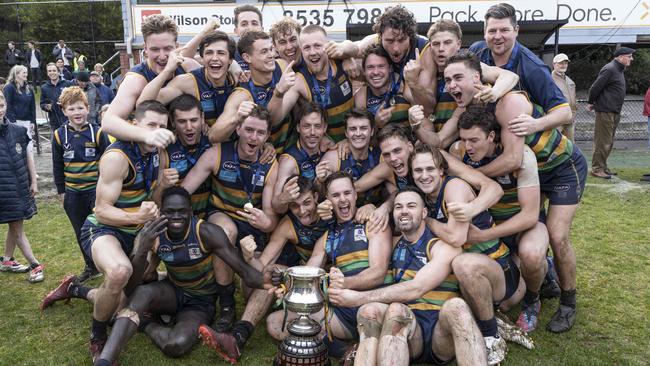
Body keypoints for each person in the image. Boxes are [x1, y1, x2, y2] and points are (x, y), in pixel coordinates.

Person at [441, 49, 587, 334]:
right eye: (447, 80)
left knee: (555, 235)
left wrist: (473, 176)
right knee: (526, 242)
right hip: (529, 176)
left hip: (559, 166)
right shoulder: (474, 112)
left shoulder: (506, 103)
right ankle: (539, 277)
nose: (451, 86)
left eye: (458, 78)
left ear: (477, 77)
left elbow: (513, 160)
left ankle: (565, 301)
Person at [90, 187, 275, 365]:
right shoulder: (153, 233)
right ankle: (105, 361)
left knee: (175, 345)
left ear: (191, 211)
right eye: (169, 211)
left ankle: (145, 324)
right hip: (173, 291)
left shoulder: (207, 232)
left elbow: (243, 271)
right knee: (141, 294)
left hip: (200, 302)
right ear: (161, 212)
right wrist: (142, 249)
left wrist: (271, 282)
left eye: (182, 211)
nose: (176, 217)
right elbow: (131, 288)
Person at [329, 187, 487, 366]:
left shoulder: (443, 245)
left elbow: (417, 287)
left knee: (457, 306)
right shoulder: (395, 243)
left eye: (411, 206)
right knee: (376, 310)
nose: (403, 211)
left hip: (441, 331)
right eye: (398, 207)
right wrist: (338, 277)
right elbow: (369, 263)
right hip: (410, 328)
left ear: (424, 212)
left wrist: (357, 298)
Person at [198, 176, 330, 362]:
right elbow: (262, 266)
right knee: (272, 273)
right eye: (294, 206)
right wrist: (248, 256)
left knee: (276, 277)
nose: (302, 211)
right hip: (303, 282)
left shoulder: (330, 215)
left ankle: (331, 344)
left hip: (333, 281)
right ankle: (238, 337)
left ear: (317, 196)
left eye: (307, 202)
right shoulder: (288, 225)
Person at [265, 171, 392, 360]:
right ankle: (345, 352)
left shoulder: (371, 221)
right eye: (335, 195)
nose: (342, 199)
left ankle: (355, 349)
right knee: (275, 322)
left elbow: (378, 273)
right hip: (342, 313)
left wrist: (342, 284)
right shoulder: (327, 236)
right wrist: (288, 286)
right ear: (327, 200)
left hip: (372, 304)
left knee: (367, 313)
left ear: (355, 195)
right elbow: (310, 275)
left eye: (347, 193)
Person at [76, 100, 168, 362]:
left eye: (162, 126)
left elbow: (153, 198)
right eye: (151, 125)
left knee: (122, 298)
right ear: (134, 126)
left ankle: (76, 290)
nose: (157, 131)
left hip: (135, 229)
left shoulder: (158, 152)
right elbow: (102, 210)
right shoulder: (117, 157)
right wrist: (136, 217)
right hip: (105, 229)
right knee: (119, 273)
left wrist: (161, 185)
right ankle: (97, 336)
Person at [409, 144, 517, 365]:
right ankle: (491, 319)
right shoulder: (425, 196)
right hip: (473, 279)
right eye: (418, 171)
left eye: (430, 169)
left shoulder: (454, 188)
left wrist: (427, 220)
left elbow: (456, 238)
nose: (424, 175)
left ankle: (490, 336)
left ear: (441, 170)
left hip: (499, 269)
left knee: (462, 263)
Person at [451, 104, 549, 333]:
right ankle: (534, 272)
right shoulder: (459, 152)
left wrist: (484, 235)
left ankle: (532, 300)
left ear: (492, 136)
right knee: (503, 302)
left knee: (532, 255)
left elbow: (530, 215)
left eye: (474, 140)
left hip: (522, 224)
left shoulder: (522, 156)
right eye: (464, 139)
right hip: (493, 225)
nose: (468, 146)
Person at [182, 105, 279, 333]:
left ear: (266, 136)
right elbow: (185, 189)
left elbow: (270, 218)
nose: (253, 137)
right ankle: (226, 306)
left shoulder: (270, 164)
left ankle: (239, 294)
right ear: (238, 129)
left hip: (252, 230)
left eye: (260, 133)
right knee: (226, 232)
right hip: (221, 215)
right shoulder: (217, 153)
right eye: (249, 130)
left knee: (252, 291)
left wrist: (265, 222)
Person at [469, 3, 573, 146]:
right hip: (491, 139)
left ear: (516, 30)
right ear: (484, 32)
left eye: (504, 30)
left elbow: (565, 112)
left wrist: (535, 124)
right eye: (492, 31)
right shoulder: (476, 51)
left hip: (527, 145)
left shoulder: (534, 67)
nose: (498, 36)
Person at [102, 13, 200, 146]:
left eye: (167, 49)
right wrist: (147, 135)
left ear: (176, 47)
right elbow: (108, 122)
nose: (162, 56)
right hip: (149, 152)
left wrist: (232, 66)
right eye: (155, 49)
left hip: (184, 150)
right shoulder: (136, 79)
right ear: (145, 49)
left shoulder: (188, 66)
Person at [52, 86, 111, 282]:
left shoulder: (98, 132)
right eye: (71, 109)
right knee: (81, 232)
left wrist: (106, 191)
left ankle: (107, 264)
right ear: (64, 111)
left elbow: (109, 162)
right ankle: (90, 266)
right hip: (73, 195)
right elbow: (57, 166)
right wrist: (62, 192)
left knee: (101, 230)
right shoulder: (59, 135)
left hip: (96, 192)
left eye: (80, 108)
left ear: (87, 108)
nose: (76, 113)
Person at [208, 31, 293, 152]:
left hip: (290, 149)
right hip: (261, 157)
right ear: (247, 57)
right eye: (264, 52)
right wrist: (236, 118)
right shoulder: (241, 95)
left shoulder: (282, 66)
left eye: (271, 49)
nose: (271, 55)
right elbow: (213, 136)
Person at [268, 24, 354, 143]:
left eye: (317, 46)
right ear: (301, 50)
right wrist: (279, 92)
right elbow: (273, 120)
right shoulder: (297, 80)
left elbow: (360, 46)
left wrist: (347, 52)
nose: (312, 52)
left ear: (327, 45)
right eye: (307, 48)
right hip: (326, 147)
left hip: (354, 139)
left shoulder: (341, 61)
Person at [137, 30, 236, 128]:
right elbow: (143, 106)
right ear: (202, 58)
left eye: (221, 53)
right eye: (209, 53)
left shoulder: (238, 79)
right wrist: (167, 70)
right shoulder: (188, 82)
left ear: (230, 60)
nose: (214, 58)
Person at [0, 89, 43, 283]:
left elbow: (28, 156)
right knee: (17, 227)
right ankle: (35, 264)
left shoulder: (18, 131)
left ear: (5, 106)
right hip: (3, 191)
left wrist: (33, 180)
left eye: (1, 106)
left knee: (15, 223)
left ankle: (7, 260)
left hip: (20, 186)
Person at [158, 94, 212, 217]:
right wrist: (162, 185)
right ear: (172, 121)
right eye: (182, 121)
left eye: (194, 120)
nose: (189, 127)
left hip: (211, 215)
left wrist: (266, 145)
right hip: (177, 218)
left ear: (202, 118)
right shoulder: (163, 149)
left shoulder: (213, 141)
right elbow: (155, 200)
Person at [317, 109, 384, 208]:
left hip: (373, 215)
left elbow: (393, 191)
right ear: (346, 133)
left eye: (363, 128)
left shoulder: (381, 156)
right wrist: (320, 181)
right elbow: (319, 196)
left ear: (372, 131)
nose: (358, 133)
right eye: (353, 129)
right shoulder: (334, 157)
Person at [587, 47, 635, 179]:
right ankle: (597, 169)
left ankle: (602, 166)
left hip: (613, 111)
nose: (632, 59)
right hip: (605, 111)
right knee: (603, 141)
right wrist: (591, 101)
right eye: (629, 56)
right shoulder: (610, 69)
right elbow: (595, 87)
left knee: (609, 141)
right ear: (620, 57)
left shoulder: (618, 69)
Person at [272, 101, 328, 214]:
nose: (312, 132)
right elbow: (276, 206)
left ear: (325, 128)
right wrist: (284, 198)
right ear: (298, 128)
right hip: (299, 217)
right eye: (306, 126)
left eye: (317, 126)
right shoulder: (289, 161)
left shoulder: (329, 150)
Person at [354, 44, 413, 130]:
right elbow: (362, 137)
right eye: (370, 67)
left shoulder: (404, 86)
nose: (376, 72)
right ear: (364, 71)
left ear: (389, 68)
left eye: (381, 66)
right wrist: (376, 124)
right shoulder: (360, 97)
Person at [3, 65, 36, 152]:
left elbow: (32, 106)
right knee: (16, 146)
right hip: (14, 121)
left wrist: (33, 121)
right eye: (24, 72)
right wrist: (12, 122)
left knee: (29, 146)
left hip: (27, 121)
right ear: (17, 74)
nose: (26, 74)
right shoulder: (9, 87)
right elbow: (7, 106)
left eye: (26, 72)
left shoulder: (29, 88)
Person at [551, 53, 577, 141]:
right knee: (553, 145)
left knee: (570, 147)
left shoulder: (570, 81)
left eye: (565, 63)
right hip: (555, 120)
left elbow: (573, 100)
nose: (564, 65)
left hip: (570, 119)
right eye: (561, 63)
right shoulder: (549, 79)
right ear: (554, 64)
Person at [41, 62, 72, 131]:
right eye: (49, 71)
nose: (52, 73)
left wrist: (64, 103)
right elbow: (42, 103)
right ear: (47, 73)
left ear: (58, 72)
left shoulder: (67, 84)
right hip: (54, 120)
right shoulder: (44, 87)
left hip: (68, 118)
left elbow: (74, 100)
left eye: (54, 71)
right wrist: (47, 106)